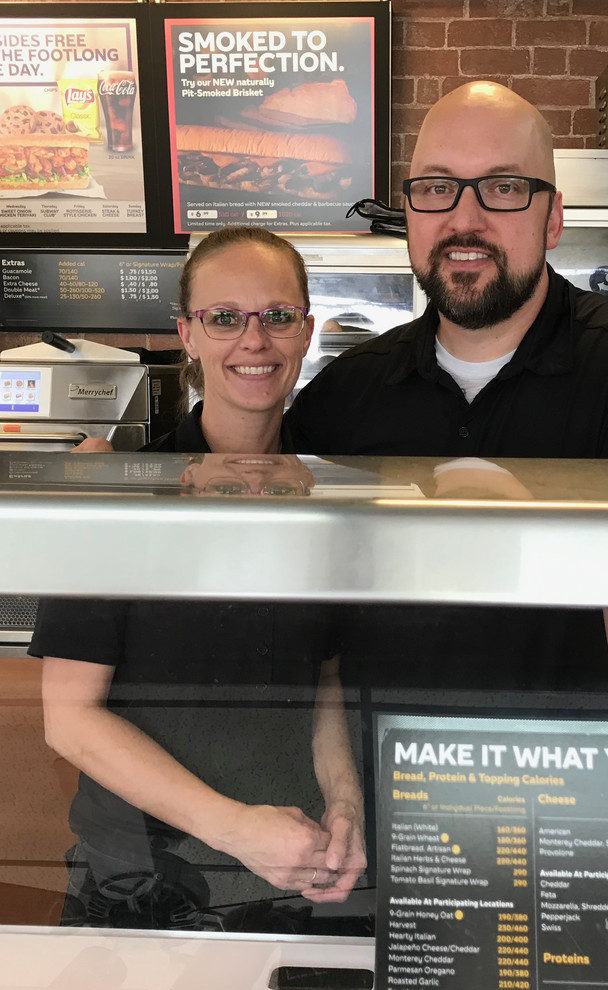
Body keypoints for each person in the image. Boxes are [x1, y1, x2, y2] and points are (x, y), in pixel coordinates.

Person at [286, 81, 608, 723]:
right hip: (388, 788)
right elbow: (308, 618)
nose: (464, 220)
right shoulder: (350, 389)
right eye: (436, 188)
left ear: (555, 217)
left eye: (504, 187)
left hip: (567, 795)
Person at [32, 227, 365, 929]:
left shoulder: (329, 500)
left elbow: (326, 678)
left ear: (305, 332)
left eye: (277, 317)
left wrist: (343, 805)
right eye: (224, 318)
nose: (255, 341)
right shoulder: (113, 494)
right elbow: (69, 718)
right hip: (143, 882)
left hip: (293, 872)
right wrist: (235, 828)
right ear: (186, 333)